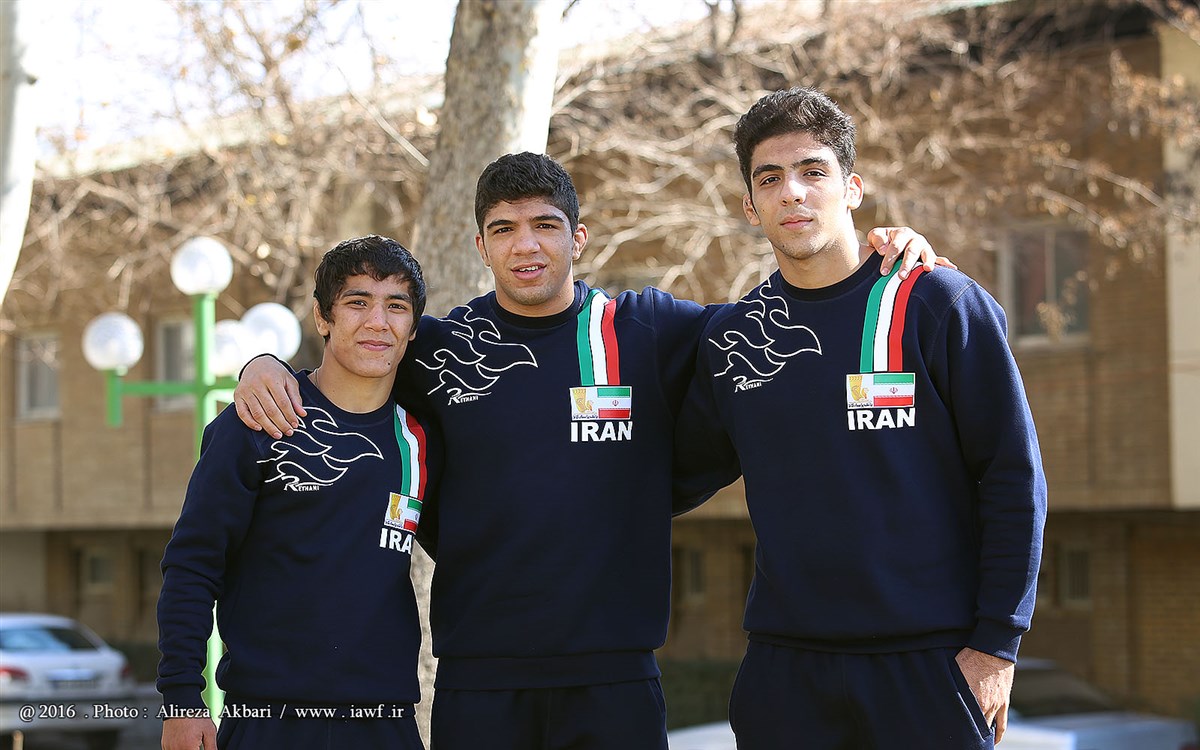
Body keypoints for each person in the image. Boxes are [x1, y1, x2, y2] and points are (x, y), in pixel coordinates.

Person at [233, 152, 945, 750]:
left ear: (578, 238)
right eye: (504, 229)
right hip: (479, 681)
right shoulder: (442, 350)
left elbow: (787, 323)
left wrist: (873, 256)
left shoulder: (648, 329)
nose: (526, 246)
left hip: (616, 682)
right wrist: (264, 365)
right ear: (481, 246)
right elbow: (351, 373)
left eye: (545, 226)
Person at [674, 87, 1047, 749]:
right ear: (750, 206)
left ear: (852, 189)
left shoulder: (938, 303)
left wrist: (997, 644)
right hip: (786, 674)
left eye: (812, 171)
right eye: (770, 178)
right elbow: (662, 477)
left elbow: (1013, 476)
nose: (792, 192)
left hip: (930, 666)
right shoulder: (735, 339)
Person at [157, 236, 438, 750]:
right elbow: (193, 565)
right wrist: (181, 699)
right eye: (358, 302)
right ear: (322, 317)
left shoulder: (422, 440)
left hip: (387, 722)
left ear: (414, 327)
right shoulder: (259, 420)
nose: (378, 322)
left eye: (396, 306)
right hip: (269, 720)